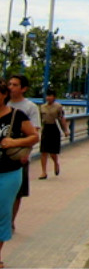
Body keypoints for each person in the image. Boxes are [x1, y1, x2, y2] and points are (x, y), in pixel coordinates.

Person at [0, 79, 39, 268]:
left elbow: (34, 135)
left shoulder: (17, 115)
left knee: (1, 214)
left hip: (8, 171)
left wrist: (14, 143)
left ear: (4, 95)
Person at [7, 75, 40, 230]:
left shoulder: (30, 107)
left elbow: (35, 133)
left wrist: (26, 153)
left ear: (23, 88)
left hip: (18, 154)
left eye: (15, 85)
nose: (11, 87)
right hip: (3, 153)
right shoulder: (3, 104)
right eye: (9, 84)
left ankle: (10, 220)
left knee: (17, 192)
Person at [39, 89, 69, 179]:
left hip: (54, 128)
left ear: (54, 97)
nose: (48, 97)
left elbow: (61, 118)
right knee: (43, 151)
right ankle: (44, 172)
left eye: (50, 96)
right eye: (47, 96)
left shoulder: (58, 107)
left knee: (52, 152)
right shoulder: (42, 107)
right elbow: (40, 118)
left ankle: (56, 163)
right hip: (46, 128)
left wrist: (65, 130)